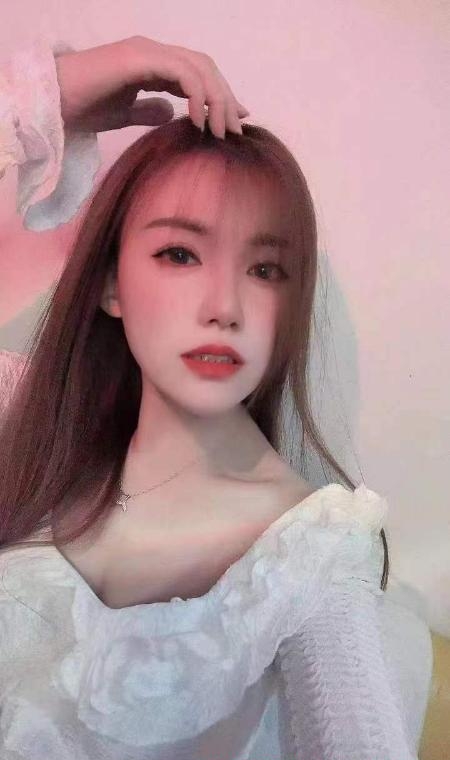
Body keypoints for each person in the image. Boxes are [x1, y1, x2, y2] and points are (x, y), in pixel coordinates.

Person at [0, 34, 432, 759]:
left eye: (266, 270)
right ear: (109, 284)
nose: (225, 307)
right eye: (180, 254)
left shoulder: (312, 557)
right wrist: (54, 94)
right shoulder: (30, 419)